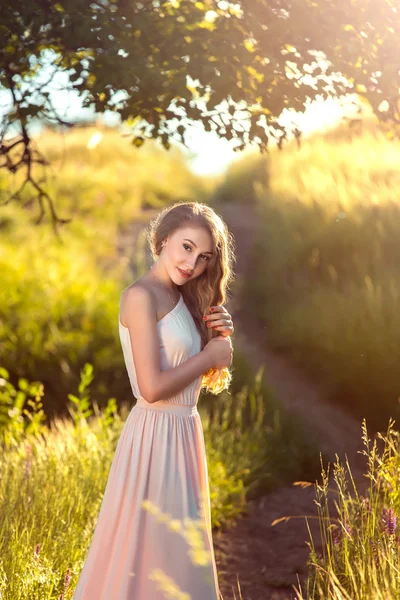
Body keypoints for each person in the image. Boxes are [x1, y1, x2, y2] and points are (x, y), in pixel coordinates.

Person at [73, 201, 235, 599]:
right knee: (152, 549)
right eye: (185, 247)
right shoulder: (140, 296)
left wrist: (220, 337)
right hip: (154, 433)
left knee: (179, 550)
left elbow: (205, 376)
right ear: (162, 241)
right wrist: (207, 357)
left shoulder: (185, 298)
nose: (192, 263)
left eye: (203, 257)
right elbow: (151, 387)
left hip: (183, 429)